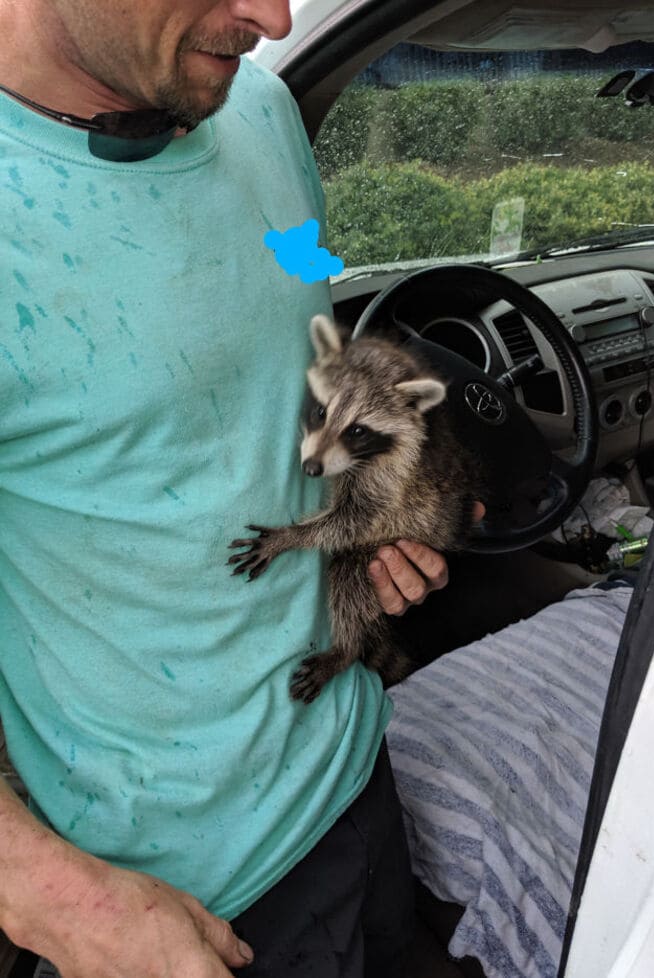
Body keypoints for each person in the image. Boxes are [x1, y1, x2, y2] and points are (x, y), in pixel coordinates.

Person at [0, 3, 457, 976]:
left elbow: (275, 354)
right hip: (192, 896)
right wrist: (54, 898)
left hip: (352, 769)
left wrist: (365, 536)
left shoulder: (258, 109)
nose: (273, 13)